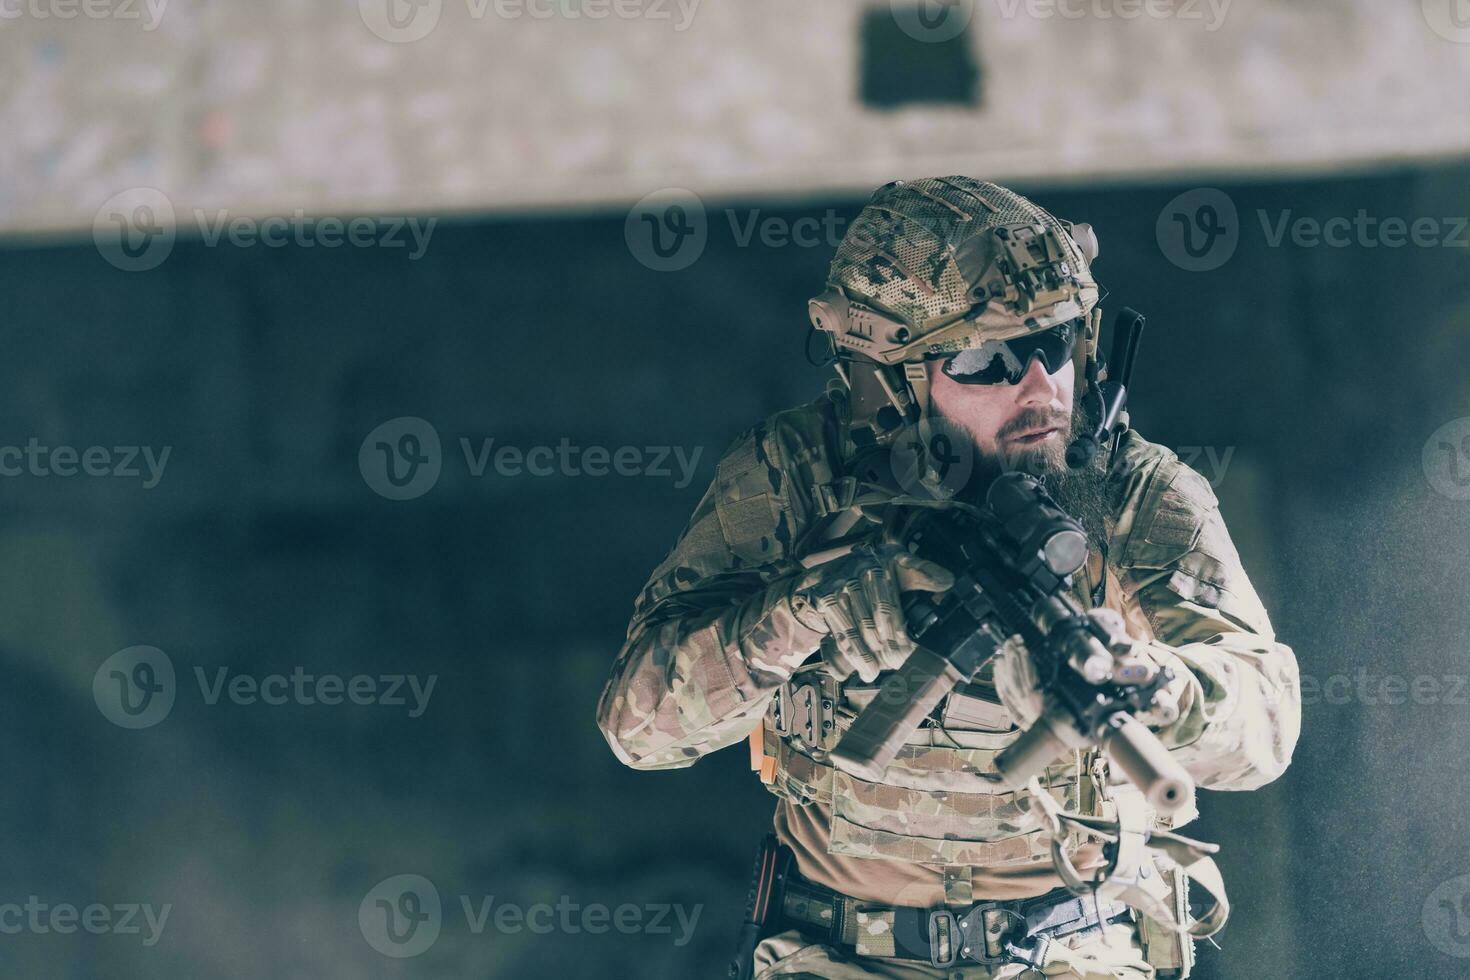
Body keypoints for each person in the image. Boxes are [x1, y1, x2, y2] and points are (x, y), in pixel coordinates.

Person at [597, 177, 1301, 979]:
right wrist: (795, 615)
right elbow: (639, 729)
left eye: (1056, 343)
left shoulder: (1136, 493)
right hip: (841, 956)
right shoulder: (794, 477)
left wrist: (1157, 683)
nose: (1040, 387)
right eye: (986, 360)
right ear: (888, 382)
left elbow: (1265, 733)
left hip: (1073, 952)